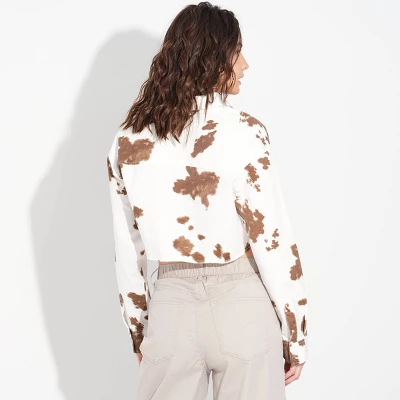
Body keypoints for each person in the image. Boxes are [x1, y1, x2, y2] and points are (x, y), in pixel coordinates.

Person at [106, 2, 308, 399]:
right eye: (237, 52)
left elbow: (128, 247)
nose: (245, 65)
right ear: (213, 57)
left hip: (171, 312)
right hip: (242, 308)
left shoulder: (128, 140)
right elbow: (272, 238)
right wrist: (295, 334)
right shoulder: (245, 131)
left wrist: (139, 332)